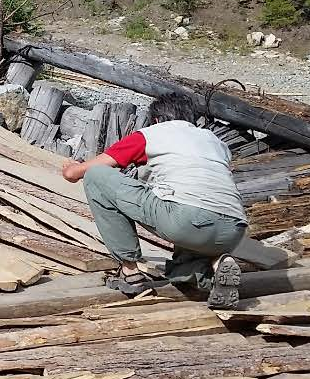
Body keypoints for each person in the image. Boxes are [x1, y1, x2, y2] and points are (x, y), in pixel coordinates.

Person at [61, 93, 248, 309]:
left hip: (186, 220)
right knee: (178, 273)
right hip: (233, 231)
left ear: (157, 120)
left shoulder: (151, 134)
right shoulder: (216, 142)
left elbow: (78, 173)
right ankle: (217, 266)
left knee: (96, 176)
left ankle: (130, 272)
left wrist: (70, 168)